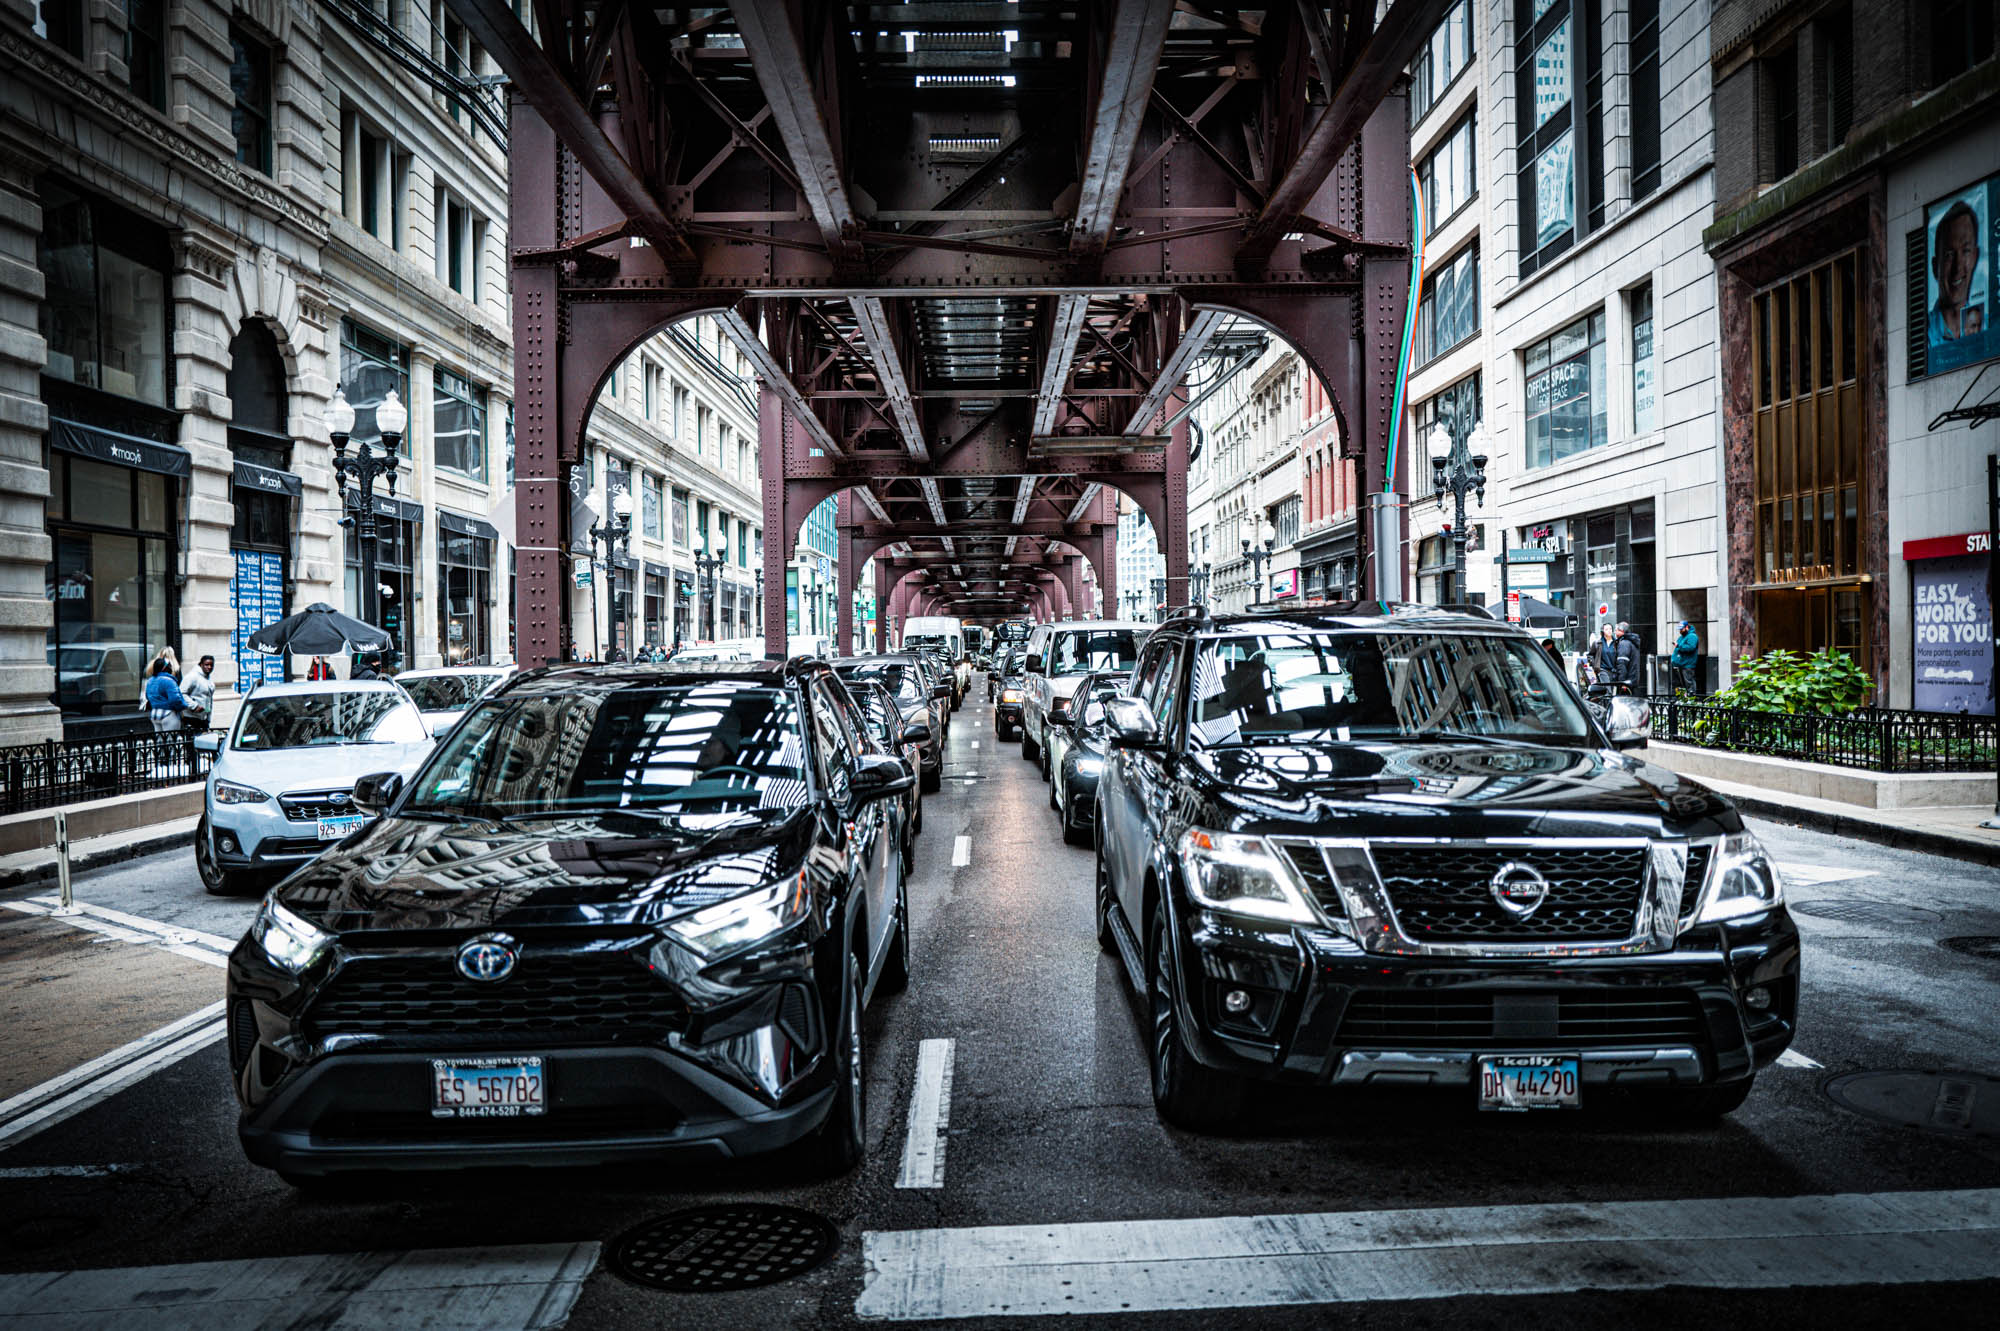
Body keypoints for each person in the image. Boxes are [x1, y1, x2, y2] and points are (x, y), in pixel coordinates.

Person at [1931, 200, 1985, 346]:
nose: (1958, 267)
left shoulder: (1986, 326)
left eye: (1965, 251)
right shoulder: (1923, 333)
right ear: (1935, 267)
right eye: (1949, 255)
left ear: (1975, 257)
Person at [144, 657, 188, 733]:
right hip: (168, 714)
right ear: (165, 668)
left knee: (160, 739)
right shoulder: (169, 681)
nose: (171, 668)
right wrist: (183, 706)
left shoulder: (150, 681)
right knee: (171, 739)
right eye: (170, 666)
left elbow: (147, 696)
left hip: (155, 714)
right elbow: (175, 699)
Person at [183, 655, 216, 730]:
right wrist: (194, 706)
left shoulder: (209, 681)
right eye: (206, 665)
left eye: (211, 665)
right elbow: (181, 693)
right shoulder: (192, 676)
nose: (209, 667)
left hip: (203, 720)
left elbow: (208, 701)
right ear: (201, 664)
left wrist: (208, 718)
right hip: (190, 718)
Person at [1612, 621, 1643, 694]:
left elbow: (1622, 663)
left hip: (1626, 683)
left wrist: (1622, 682)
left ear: (1622, 631)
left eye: (1616, 630)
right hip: (1632, 680)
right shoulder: (1632, 642)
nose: (1615, 632)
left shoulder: (1624, 643)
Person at [1671, 620, 1701, 694]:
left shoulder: (1692, 636)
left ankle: (1691, 698)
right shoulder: (1682, 637)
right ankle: (1686, 697)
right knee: (1683, 684)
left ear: (1687, 627)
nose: (1680, 631)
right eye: (1679, 629)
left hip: (1688, 664)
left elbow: (1691, 648)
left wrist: (1678, 646)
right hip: (1681, 664)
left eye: (1682, 629)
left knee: (1689, 683)